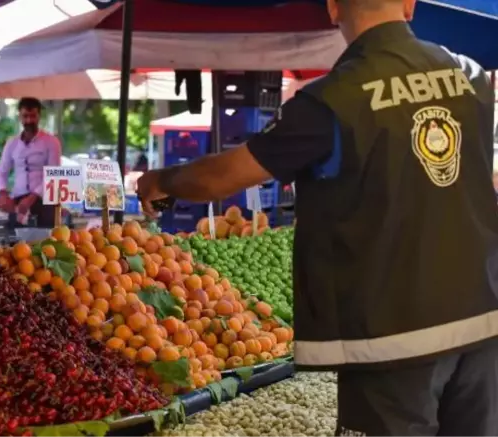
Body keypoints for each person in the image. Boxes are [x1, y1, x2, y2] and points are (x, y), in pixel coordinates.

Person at [137, 0, 498, 435]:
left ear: (332, 9)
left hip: (392, 337)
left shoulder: (331, 100)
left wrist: (161, 179)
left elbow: (219, 179)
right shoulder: (473, 77)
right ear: (408, 3)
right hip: (483, 320)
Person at [0, 97, 61, 228]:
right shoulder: (12, 143)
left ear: (39, 116)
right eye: (25, 116)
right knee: (16, 243)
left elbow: (53, 175)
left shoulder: (51, 142)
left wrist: (32, 197)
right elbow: (1, 172)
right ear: (19, 116)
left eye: (33, 116)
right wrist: (2, 193)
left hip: (44, 201)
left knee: (44, 242)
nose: (29, 121)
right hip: (18, 201)